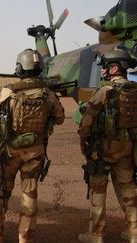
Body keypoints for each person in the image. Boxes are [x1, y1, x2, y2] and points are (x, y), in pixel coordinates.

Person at [0, 49, 65, 243]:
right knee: (29, 195)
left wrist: (2, 98)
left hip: (9, 151)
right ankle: (25, 238)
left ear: (19, 67)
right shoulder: (47, 93)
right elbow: (60, 118)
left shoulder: (9, 91)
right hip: (35, 152)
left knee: (0, 192)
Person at [78, 49, 137, 243]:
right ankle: (134, 232)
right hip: (128, 147)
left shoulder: (105, 91)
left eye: (104, 67)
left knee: (98, 190)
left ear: (113, 68)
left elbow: (86, 120)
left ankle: (96, 234)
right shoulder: (134, 90)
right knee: (128, 189)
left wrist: (83, 141)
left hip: (103, 149)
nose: (102, 71)